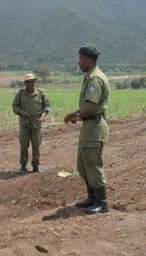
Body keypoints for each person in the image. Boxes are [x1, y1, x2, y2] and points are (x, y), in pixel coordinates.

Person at [64, 45, 110, 214]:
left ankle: (102, 202)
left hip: (94, 127)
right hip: (89, 126)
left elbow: (90, 107)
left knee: (92, 165)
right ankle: (92, 197)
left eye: (81, 59)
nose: (79, 62)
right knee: (83, 165)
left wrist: (74, 116)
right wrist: (76, 115)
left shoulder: (95, 79)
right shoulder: (91, 77)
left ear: (89, 60)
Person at [12, 73, 50, 174]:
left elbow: (46, 107)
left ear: (34, 82)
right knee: (24, 146)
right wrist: (21, 112)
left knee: (36, 146)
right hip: (24, 125)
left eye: (31, 82)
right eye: (27, 82)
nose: (30, 84)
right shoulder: (21, 94)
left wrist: (43, 116)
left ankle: (36, 166)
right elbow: (15, 106)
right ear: (25, 83)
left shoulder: (40, 94)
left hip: (36, 125)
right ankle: (23, 166)